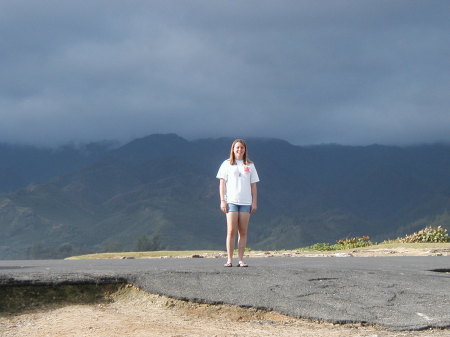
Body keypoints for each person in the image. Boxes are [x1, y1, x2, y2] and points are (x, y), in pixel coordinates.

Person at [216, 139, 260, 267]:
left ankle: (241, 259)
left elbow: (253, 186)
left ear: (245, 149)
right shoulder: (226, 164)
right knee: (231, 230)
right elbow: (222, 183)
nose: (239, 150)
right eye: (237, 147)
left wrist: (254, 202)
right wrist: (222, 201)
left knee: (243, 231)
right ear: (233, 149)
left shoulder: (250, 165)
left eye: (241, 147)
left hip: (246, 202)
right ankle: (229, 259)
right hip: (231, 201)